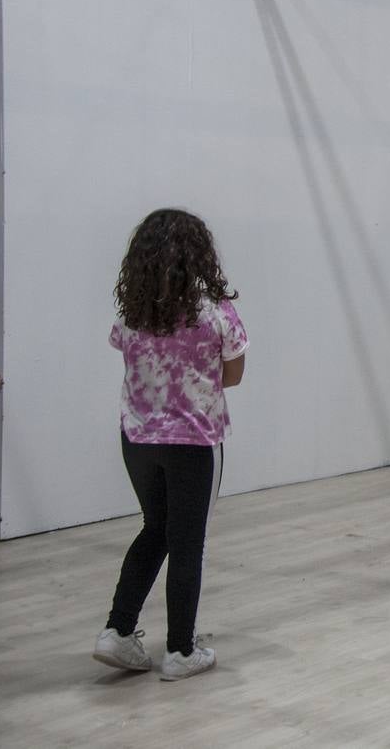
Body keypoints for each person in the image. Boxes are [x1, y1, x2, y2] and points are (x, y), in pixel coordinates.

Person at [93, 209, 248, 681]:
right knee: (186, 542)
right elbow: (234, 376)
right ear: (199, 253)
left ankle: (118, 631)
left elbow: (128, 356)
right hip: (193, 442)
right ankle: (181, 650)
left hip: (137, 439)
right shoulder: (216, 311)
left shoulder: (132, 312)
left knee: (156, 529)